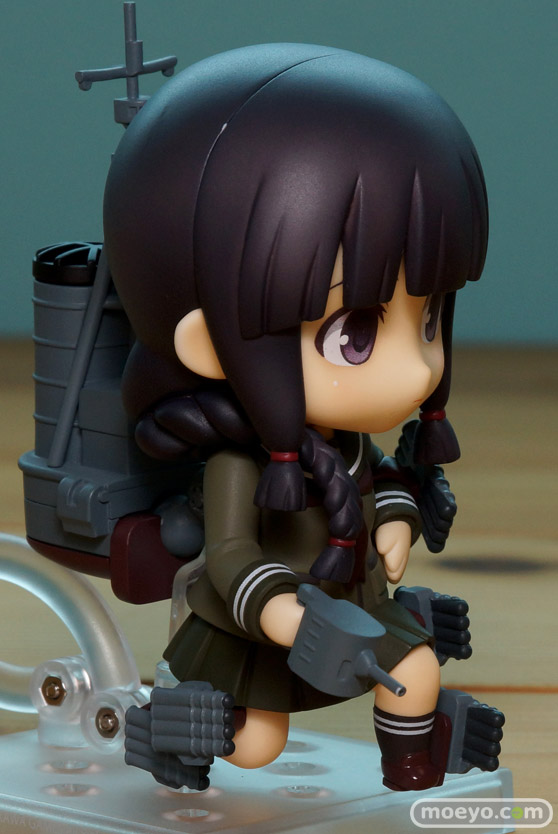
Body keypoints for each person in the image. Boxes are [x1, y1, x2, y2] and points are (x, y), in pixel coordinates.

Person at [104, 43, 489, 791]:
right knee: (255, 745)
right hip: (261, 622)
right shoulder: (241, 463)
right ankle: (170, 727)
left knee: (415, 669)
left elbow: (379, 480)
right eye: (357, 334)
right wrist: (281, 612)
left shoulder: (344, 440)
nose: (416, 370)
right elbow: (230, 556)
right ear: (209, 342)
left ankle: (411, 768)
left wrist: (395, 521)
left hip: (349, 605)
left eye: (430, 319)